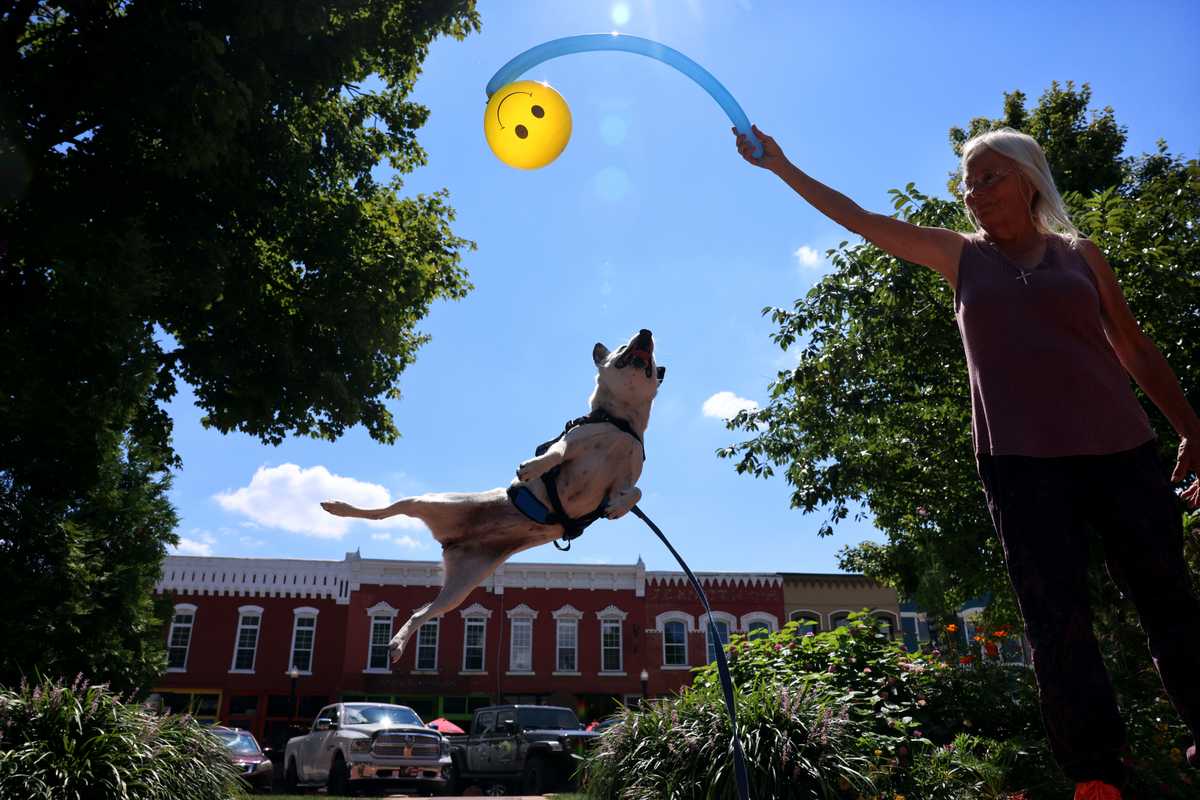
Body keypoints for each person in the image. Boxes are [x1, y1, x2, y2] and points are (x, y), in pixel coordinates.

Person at [734, 124, 1200, 800]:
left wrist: (1190, 426)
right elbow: (860, 219)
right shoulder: (959, 257)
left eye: (989, 178)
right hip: (1022, 466)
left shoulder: (1081, 256)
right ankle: (1098, 778)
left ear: (1027, 178)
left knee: (1170, 604)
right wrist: (781, 165)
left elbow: (1133, 348)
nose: (974, 193)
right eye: (968, 183)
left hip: (1121, 451)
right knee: (1056, 623)